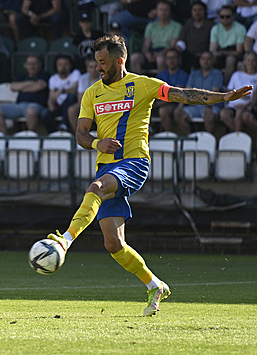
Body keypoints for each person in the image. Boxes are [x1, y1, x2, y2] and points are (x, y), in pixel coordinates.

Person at [46, 35, 252, 317]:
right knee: (113, 243)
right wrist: (96, 143)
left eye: (103, 63)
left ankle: (64, 240)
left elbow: (184, 94)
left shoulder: (142, 85)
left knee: (95, 187)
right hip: (106, 165)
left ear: (120, 60)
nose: (99, 68)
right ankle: (155, 286)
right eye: (96, 63)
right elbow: (81, 135)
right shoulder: (92, 92)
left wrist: (223, 98)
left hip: (134, 162)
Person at [0, 53, 49, 134]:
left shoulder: (44, 75)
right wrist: (32, 84)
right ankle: (5, 138)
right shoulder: (22, 75)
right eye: (29, 64)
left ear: (40, 65)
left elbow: (39, 86)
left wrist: (22, 87)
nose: (31, 66)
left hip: (36, 105)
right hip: (19, 105)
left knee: (31, 111)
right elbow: (13, 87)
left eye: (34, 64)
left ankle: (31, 136)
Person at [173, 51, 223, 136]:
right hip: (195, 106)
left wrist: (208, 106)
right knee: (178, 113)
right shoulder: (194, 74)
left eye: (208, 59)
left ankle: (208, 141)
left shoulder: (216, 73)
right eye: (203, 59)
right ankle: (191, 139)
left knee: (209, 115)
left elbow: (215, 93)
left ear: (212, 61)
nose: (205, 61)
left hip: (211, 106)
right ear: (200, 61)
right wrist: (180, 107)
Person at [130, 1, 181, 75]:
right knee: (134, 58)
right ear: (157, 11)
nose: (163, 12)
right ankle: (140, 83)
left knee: (160, 59)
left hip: (166, 52)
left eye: (166, 10)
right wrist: (147, 53)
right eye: (161, 10)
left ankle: (161, 84)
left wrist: (160, 53)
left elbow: (172, 45)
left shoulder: (176, 26)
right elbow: (146, 44)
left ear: (170, 11)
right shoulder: (151, 26)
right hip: (152, 51)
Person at [218, 52, 257, 133]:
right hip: (233, 105)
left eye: (253, 60)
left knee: (240, 113)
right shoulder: (237, 75)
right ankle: (240, 134)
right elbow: (228, 90)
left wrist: (248, 104)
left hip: (248, 106)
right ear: (245, 62)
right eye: (248, 60)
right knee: (223, 114)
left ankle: (237, 136)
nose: (251, 63)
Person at [209, 5, 246, 86]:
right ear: (219, 17)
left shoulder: (240, 28)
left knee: (230, 59)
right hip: (220, 52)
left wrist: (223, 53)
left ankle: (225, 86)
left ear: (233, 16)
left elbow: (239, 51)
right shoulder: (215, 28)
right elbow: (212, 49)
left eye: (228, 16)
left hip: (233, 53)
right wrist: (215, 55)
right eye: (222, 17)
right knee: (208, 58)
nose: (225, 19)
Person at [154, 48, 189, 133]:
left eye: (174, 58)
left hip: (178, 104)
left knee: (163, 110)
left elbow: (176, 95)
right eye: (169, 58)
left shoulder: (183, 74)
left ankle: (171, 136)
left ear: (179, 60)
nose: (171, 61)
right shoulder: (161, 75)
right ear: (166, 61)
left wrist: (158, 104)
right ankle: (160, 134)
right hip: (163, 103)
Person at [173, 1, 213, 72]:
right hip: (189, 56)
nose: (197, 12)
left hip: (205, 55)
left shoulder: (211, 26)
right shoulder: (187, 26)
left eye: (200, 10)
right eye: (195, 10)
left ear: (204, 11)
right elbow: (182, 41)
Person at [47, 54, 81, 132]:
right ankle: (53, 134)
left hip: (73, 105)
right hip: (59, 106)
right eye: (60, 64)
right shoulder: (53, 79)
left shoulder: (75, 73)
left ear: (70, 65)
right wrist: (51, 104)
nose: (63, 67)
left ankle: (64, 124)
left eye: (65, 64)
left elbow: (75, 89)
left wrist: (61, 91)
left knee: (71, 96)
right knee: (45, 114)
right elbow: (51, 96)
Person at [67, 56, 100, 134]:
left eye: (95, 67)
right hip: (86, 105)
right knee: (72, 110)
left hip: (99, 105)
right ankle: (79, 134)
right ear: (87, 68)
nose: (93, 70)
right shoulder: (82, 78)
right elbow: (80, 98)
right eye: (90, 67)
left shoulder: (104, 77)